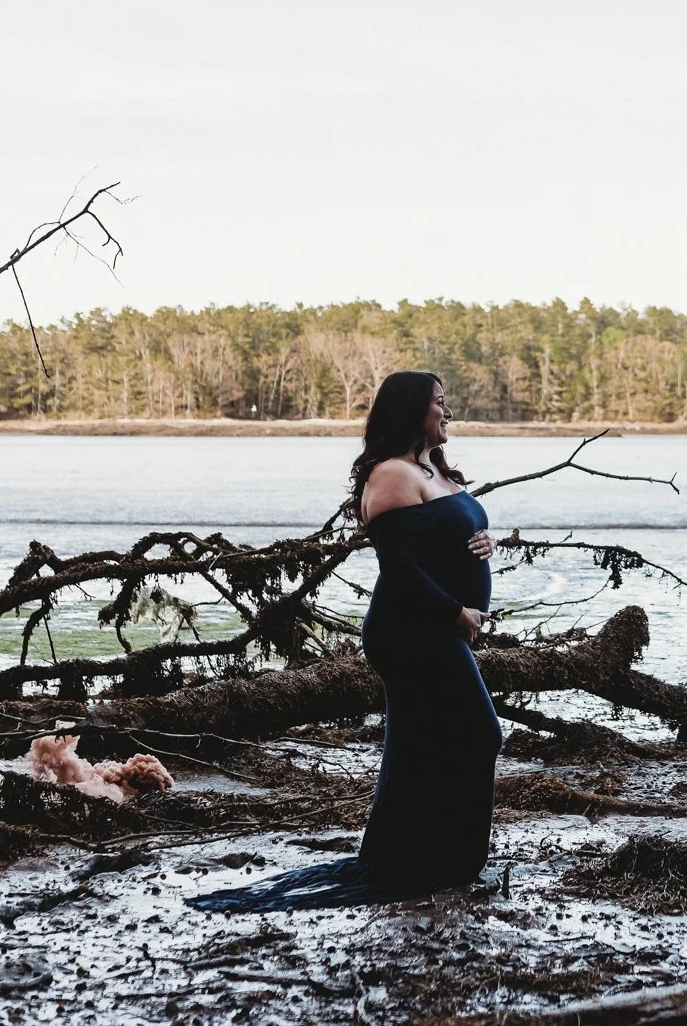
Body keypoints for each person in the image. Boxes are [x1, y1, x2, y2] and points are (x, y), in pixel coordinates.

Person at [188, 370, 503, 911]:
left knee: (425, 744)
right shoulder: (391, 475)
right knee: (479, 734)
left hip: (433, 629)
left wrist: (481, 540)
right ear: (410, 411)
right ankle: (451, 862)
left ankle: (424, 856)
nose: (448, 412)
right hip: (411, 631)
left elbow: (441, 538)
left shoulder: (433, 470)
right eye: (440, 403)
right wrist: (455, 613)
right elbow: (400, 567)